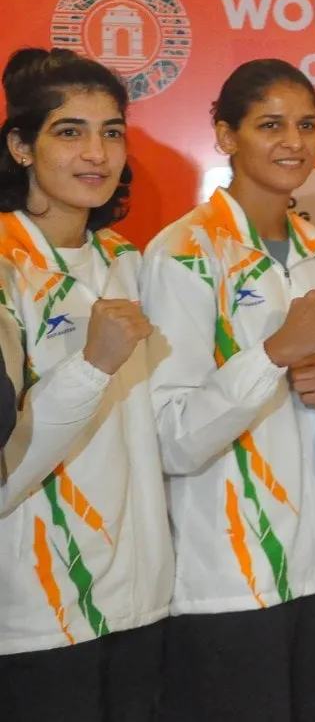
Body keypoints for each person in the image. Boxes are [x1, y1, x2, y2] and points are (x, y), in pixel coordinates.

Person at [140, 59, 315, 722]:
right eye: (270, 125)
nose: (293, 141)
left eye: (305, 124)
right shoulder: (182, 252)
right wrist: (273, 353)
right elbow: (173, 436)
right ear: (226, 135)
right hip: (225, 582)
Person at [0, 47, 173, 722]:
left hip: (139, 605)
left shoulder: (127, 263)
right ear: (20, 146)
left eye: (111, 132)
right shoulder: (7, 269)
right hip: (35, 616)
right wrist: (90, 365)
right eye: (69, 132)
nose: (96, 153)